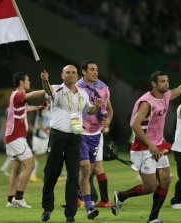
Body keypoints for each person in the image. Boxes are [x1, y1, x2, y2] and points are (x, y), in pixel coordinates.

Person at [111, 68, 181, 223]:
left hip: (157, 145)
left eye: (167, 81)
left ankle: (153, 218)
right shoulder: (147, 102)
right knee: (150, 187)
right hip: (144, 147)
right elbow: (134, 124)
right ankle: (121, 196)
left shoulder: (166, 95)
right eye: (163, 81)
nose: (166, 84)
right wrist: (151, 145)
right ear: (154, 84)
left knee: (165, 180)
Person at [40, 65, 102, 223]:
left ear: (76, 76)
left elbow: (90, 110)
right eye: (68, 72)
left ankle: (70, 214)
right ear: (62, 75)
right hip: (57, 135)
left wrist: (97, 106)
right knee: (51, 173)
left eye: (73, 73)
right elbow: (48, 91)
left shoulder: (82, 93)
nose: (71, 75)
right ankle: (47, 208)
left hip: (75, 136)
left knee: (74, 176)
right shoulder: (56, 89)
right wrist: (44, 81)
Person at [75, 60, 113, 217]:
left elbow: (109, 110)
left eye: (96, 69)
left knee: (91, 169)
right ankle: (85, 203)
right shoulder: (76, 88)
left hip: (97, 134)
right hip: (80, 132)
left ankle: (86, 201)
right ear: (84, 72)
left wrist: (108, 121)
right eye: (91, 70)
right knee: (85, 167)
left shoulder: (103, 88)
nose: (95, 72)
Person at [5, 72, 46, 209]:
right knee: (30, 165)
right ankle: (19, 197)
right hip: (17, 137)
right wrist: (48, 89)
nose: (29, 82)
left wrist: (37, 108)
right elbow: (31, 95)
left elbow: (24, 107)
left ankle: (10, 200)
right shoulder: (18, 94)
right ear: (22, 82)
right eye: (28, 80)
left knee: (16, 169)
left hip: (11, 136)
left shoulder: (14, 96)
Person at [29, 99, 51, 182]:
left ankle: (51, 175)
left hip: (45, 136)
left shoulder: (49, 113)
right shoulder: (41, 111)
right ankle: (32, 174)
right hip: (39, 136)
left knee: (42, 155)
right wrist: (46, 130)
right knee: (37, 155)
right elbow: (39, 123)